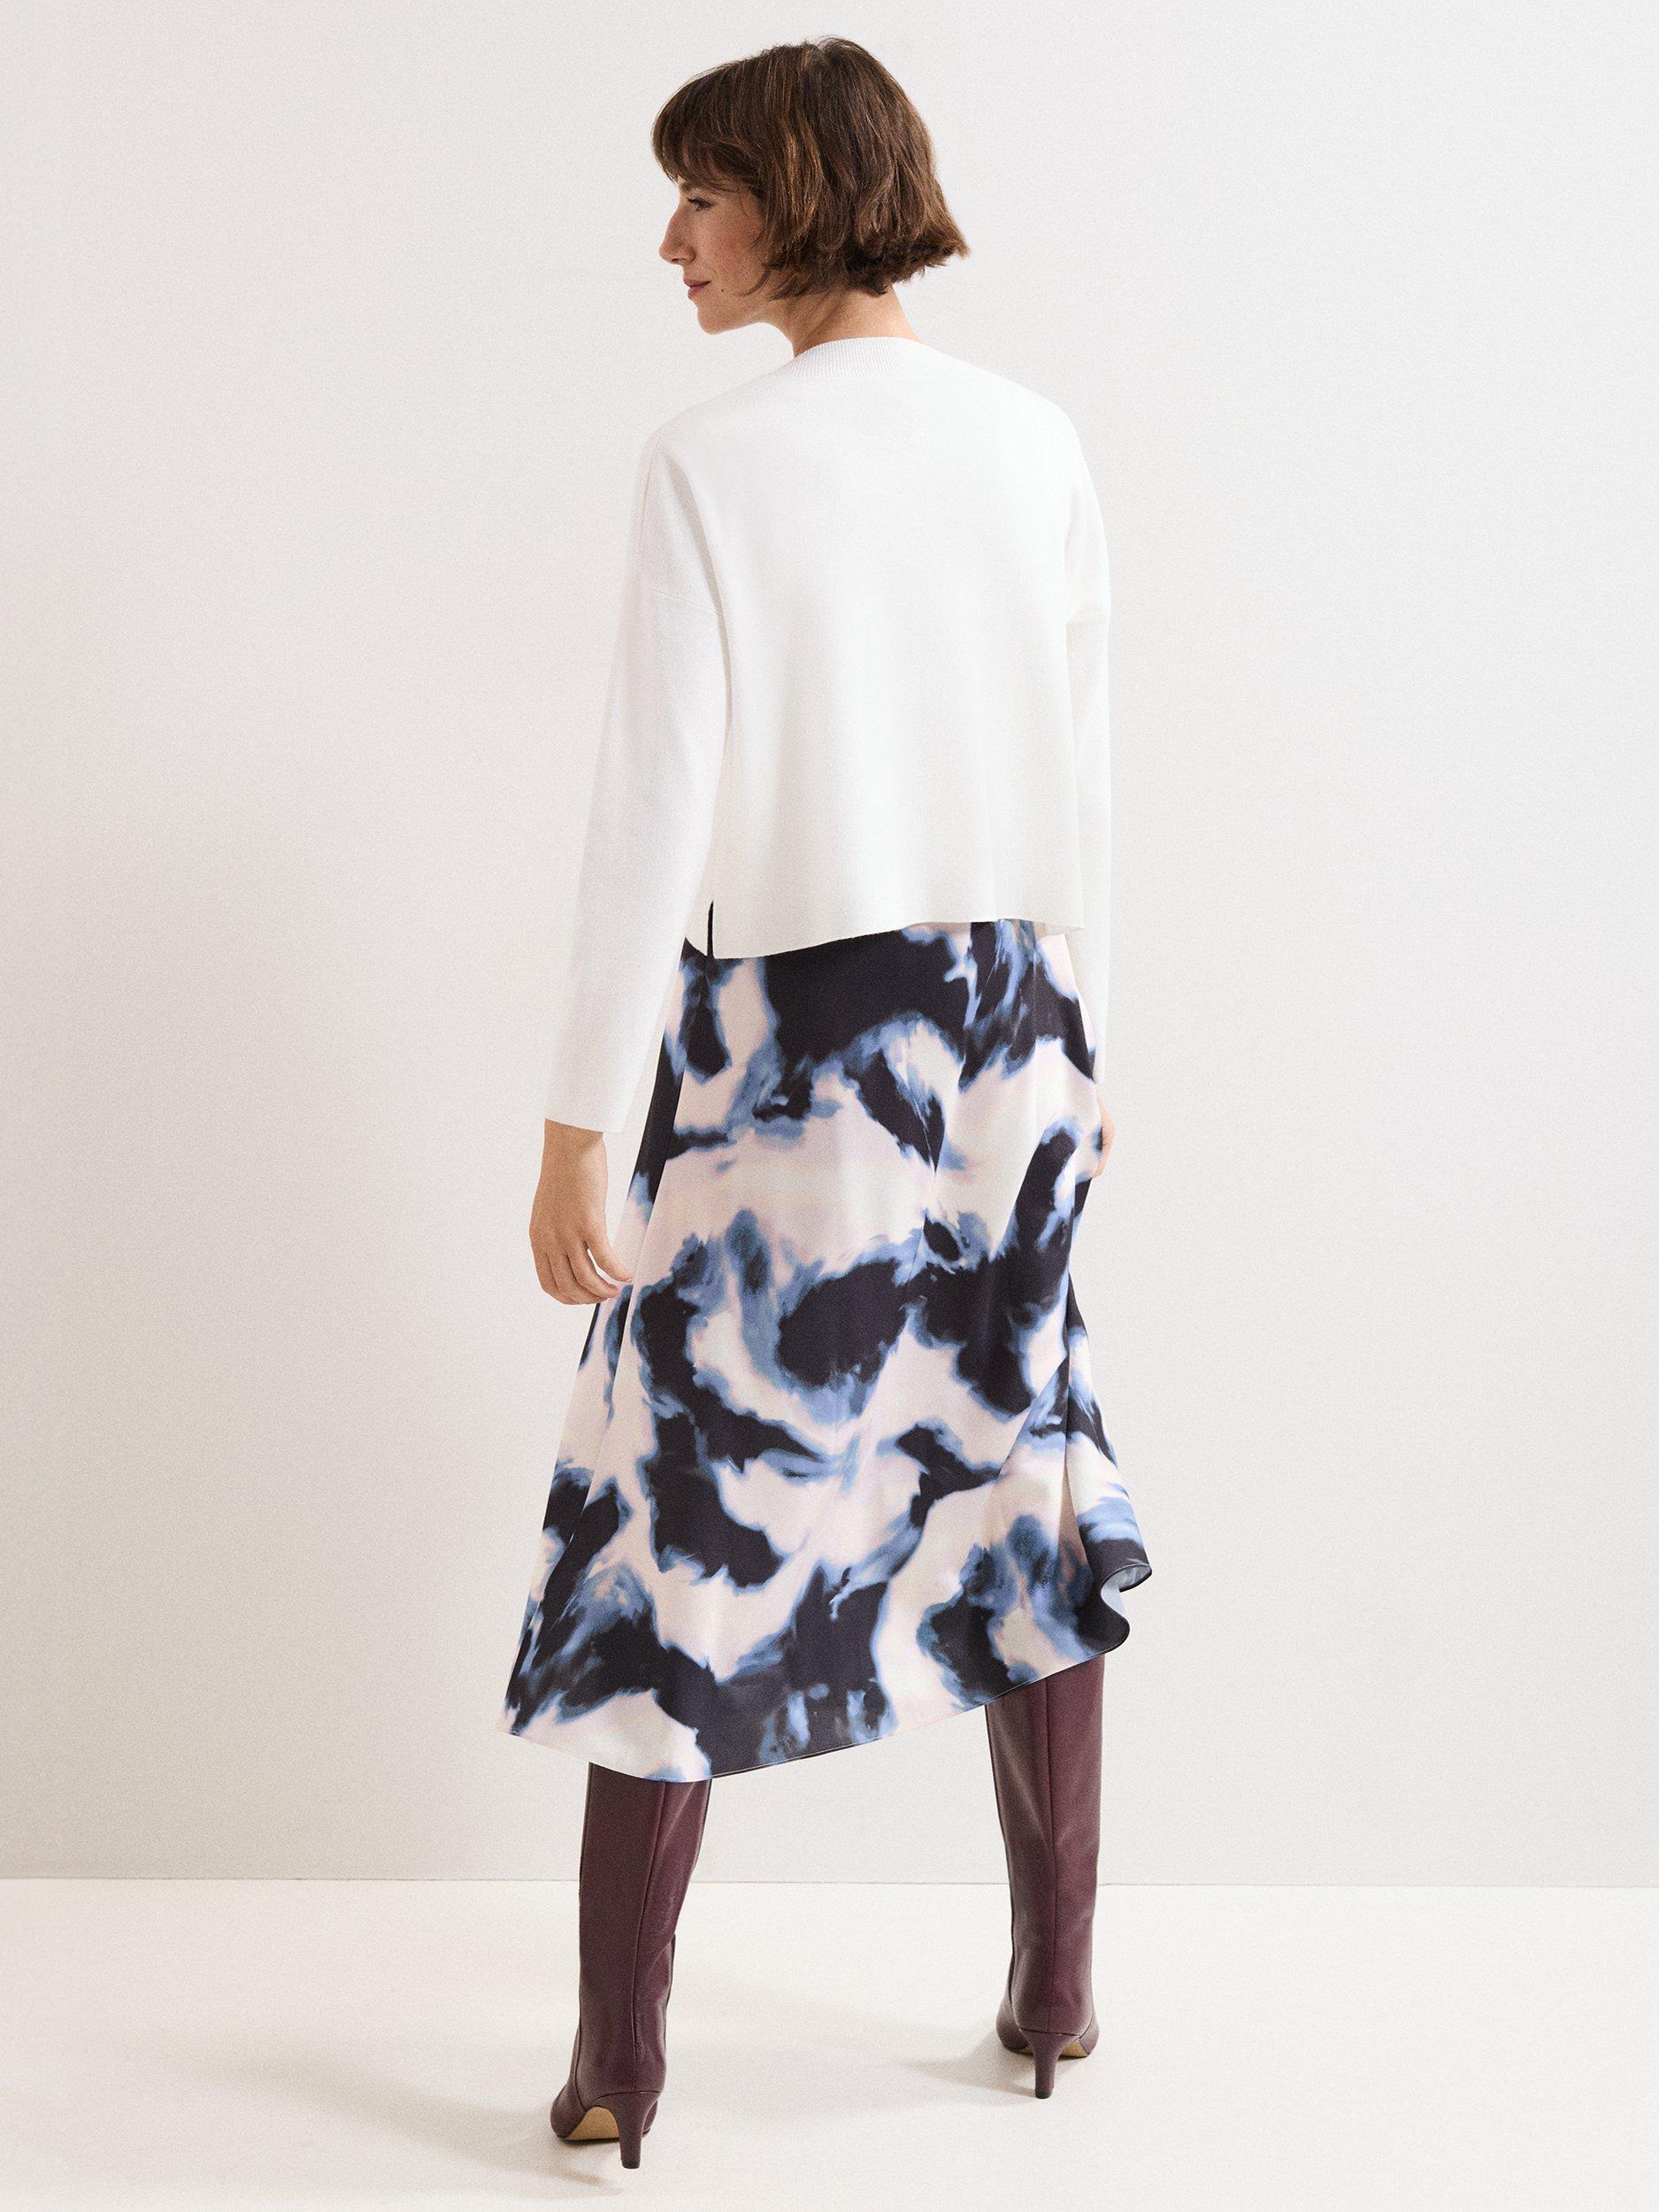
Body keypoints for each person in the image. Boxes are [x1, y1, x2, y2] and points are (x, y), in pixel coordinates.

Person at [496, 35, 1153, 2168]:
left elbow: (649, 805)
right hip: (1008, 1035)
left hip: (795, 1051)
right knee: (1018, 1489)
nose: (668, 240)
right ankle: (1053, 1992)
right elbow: (1079, 769)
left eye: (698, 193)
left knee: (678, 1523)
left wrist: (577, 1116)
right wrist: (1088, 1037)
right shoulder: (1032, 438)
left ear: (791, 192)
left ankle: (618, 2063)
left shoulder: (714, 460)